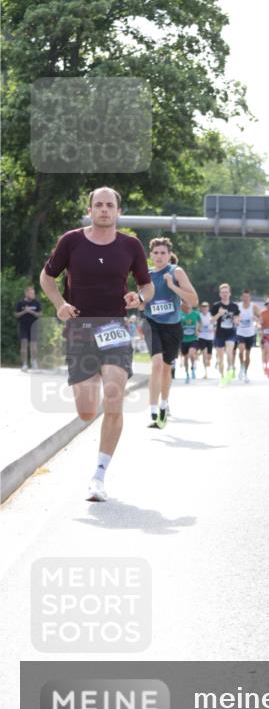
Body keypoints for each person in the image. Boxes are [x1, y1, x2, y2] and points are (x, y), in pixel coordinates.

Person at [39, 186, 153, 501]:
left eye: (109, 205)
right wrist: (60, 304)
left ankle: (98, 476)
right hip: (80, 329)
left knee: (114, 395)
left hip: (115, 328)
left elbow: (147, 285)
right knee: (88, 411)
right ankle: (93, 405)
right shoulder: (71, 241)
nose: (104, 210)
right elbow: (47, 277)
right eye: (98, 205)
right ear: (90, 210)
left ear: (118, 211)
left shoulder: (131, 245)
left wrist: (138, 298)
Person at [141, 237, 198, 428]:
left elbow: (194, 300)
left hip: (172, 326)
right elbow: (142, 303)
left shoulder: (176, 272)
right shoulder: (145, 274)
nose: (159, 256)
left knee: (166, 368)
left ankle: (164, 404)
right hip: (151, 323)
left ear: (169, 255)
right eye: (155, 253)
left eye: (163, 253)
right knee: (156, 364)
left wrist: (173, 286)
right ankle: (153, 410)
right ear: (150, 255)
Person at [211, 283, 240, 385]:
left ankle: (231, 368)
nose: (225, 294)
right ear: (220, 294)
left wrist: (235, 320)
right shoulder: (216, 306)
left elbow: (237, 320)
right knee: (220, 358)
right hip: (219, 334)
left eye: (226, 292)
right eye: (223, 293)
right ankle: (222, 377)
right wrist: (219, 314)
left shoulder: (234, 306)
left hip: (231, 333)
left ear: (230, 293)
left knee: (229, 352)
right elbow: (211, 321)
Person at [15, 285, 42, 371]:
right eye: (31, 293)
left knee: (34, 346)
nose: (33, 294)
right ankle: (24, 364)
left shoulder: (36, 303)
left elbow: (40, 314)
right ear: (26, 293)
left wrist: (31, 312)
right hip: (23, 327)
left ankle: (34, 363)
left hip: (34, 326)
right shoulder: (20, 303)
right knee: (24, 345)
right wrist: (24, 311)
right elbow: (16, 315)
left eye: (33, 293)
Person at [236, 290, 261, 382]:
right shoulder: (238, 306)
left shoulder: (253, 306)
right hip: (240, 332)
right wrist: (237, 320)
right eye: (244, 297)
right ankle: (241, 367)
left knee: (247, 354)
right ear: (242, 298)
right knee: (241, 351)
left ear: (249, 298)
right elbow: (235, 316)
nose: (246, 299)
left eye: (247, 297)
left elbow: (260, 317)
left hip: (250, 333)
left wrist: (257, 321)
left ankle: (245, 372)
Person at [179, 302, 201, 382]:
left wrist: (198, 330)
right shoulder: (180, 314)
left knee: (191, 353)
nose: (188, 305)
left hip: (193, 339)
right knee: (185, 357)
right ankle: (187, 374)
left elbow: (200, 322)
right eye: (186, 303)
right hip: (184, 339)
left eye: (189, 303)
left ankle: (192, 368)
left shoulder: (196, 314)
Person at [196, 301, 215, 379]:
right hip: (201, 337)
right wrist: (198, 330)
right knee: (204, 353)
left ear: (208, 308)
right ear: (201, 308)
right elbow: (196, 324)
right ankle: (205, 372)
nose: (204, 309)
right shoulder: (199, 316)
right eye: (203, 307)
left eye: (206, 307)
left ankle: (207, 359)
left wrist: (213, 329)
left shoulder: (211, 315)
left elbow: (215, 325)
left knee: (209, 356)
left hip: (210, 337)